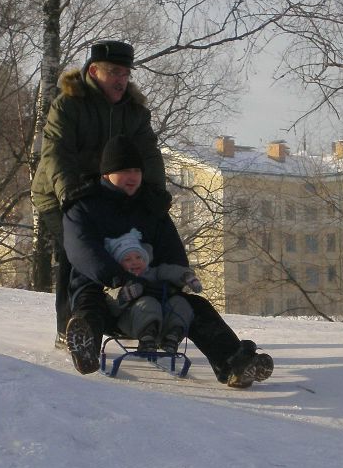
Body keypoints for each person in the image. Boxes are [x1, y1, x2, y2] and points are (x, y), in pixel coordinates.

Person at [63, 135, 274, 388]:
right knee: (90, 305)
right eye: (124, 170)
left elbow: (172, 251)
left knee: (198, 308)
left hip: (152, 290)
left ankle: (235, 364)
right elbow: (82, 251)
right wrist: (118, 279)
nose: (132, 176)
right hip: (105, 289)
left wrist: (175, 281)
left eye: (136, 170)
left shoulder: (151, 207)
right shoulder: (83, 206)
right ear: (107, 173)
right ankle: (86, 348)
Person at [30, 40, 166, 348]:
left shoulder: (133, 112)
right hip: (58, 194)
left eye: (126, 73)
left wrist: (156, 192)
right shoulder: (69, 104)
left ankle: (133, 317)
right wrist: (68, 191)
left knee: (129, 248)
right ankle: (69, 328)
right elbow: (56, 153)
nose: (121, 80)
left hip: (105, 195)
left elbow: (149, 154)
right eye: (114, 72)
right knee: (75, 252)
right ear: (94, 71)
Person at [104, 228, 201, 354]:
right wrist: (124, 294)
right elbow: (110, 301)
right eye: (127, 259)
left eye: (138, 257)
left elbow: (169, 271)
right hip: (131, 322)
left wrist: (187, 276)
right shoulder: (119, 279)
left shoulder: (153, 273)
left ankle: (173, 335)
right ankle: (147, 338)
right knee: (148, 303)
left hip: (163, 321)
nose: (134, 262)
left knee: (180, 302)